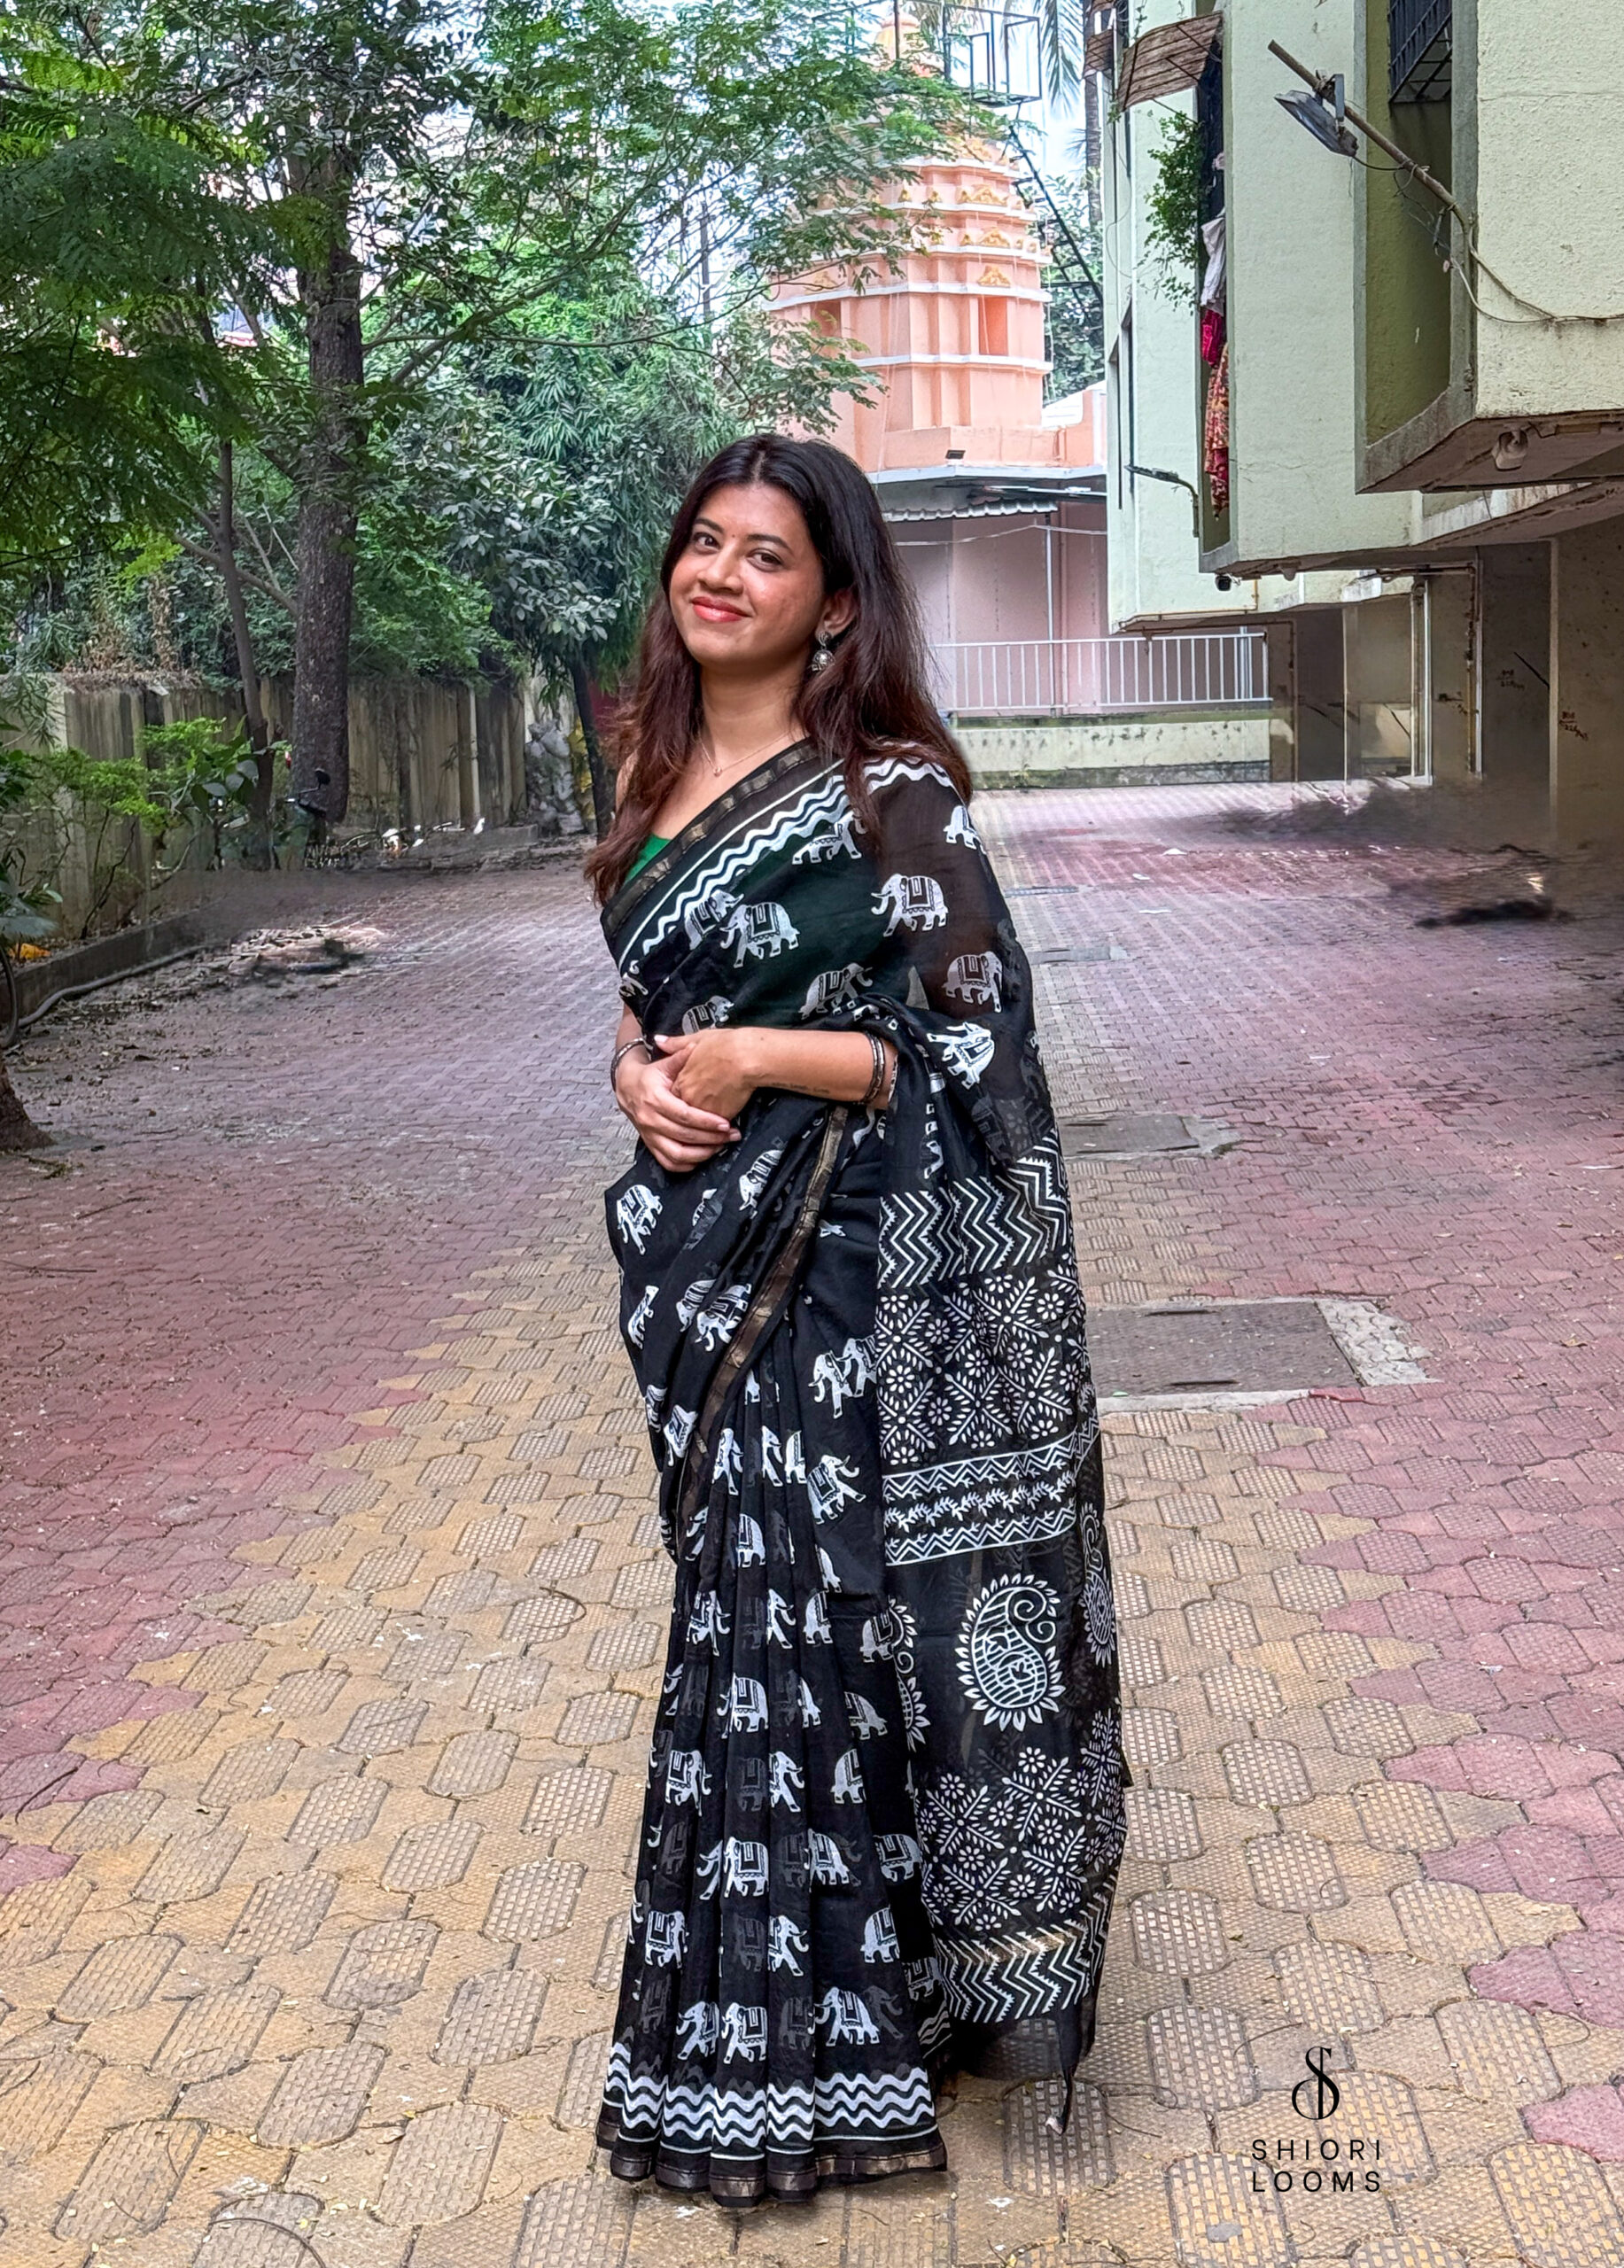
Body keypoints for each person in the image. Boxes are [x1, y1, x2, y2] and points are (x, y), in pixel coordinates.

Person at [585, 434, 1124, 2208]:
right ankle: (766, 2010)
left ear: (831, 604)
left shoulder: (886, 789)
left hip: (845, 1270)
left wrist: (753, 1057)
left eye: (766, 554)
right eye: (703, 541)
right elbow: (647, 1002)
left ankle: (841, 2022)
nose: (720, 571)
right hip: (697, 1258)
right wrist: (641, 1076)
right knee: (733, 1617)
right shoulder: (644, 767)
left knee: (810, 1623)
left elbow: (968, 1042)